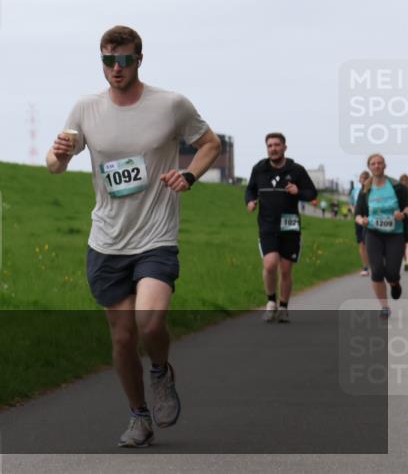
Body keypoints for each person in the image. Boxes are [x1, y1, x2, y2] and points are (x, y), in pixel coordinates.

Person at [46, 25, 221, 448]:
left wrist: (189, 174)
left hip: (156, 236)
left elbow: (210, 143)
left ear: (139, 60)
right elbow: (54, 165)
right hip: (107, 240)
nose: (117, 68)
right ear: (101, 61)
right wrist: (59, 153)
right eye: (109, 60)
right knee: (123, 338)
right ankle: (138, 416)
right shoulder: (86, 109)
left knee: (150, 319)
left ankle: (160, 370)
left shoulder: (171, 105)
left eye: (125, 60)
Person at [244, 133, 318, 323]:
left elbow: (312, 193)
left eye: (277, 145)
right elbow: (250, 189)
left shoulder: (297, 170)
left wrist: (298, 192)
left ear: (284, 147)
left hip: (290, 225)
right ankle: (271, 303)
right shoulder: (259, 169)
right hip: (267, 224)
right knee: (270, 264)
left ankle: (283, 307)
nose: (273, 148)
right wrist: (250, 201)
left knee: (285, 270)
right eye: (270, 145)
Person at [354, 154, 408, 320]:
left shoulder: (397, 186)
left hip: (395, 234)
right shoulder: (366, 189)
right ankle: (384, 307)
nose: (376, 166)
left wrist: (403, 215)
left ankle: (394, 282)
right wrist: (362, 220)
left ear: (385, 166)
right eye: (373, 163)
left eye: (379, 163)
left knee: (392, 272)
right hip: (373, 233)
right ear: (369, 167)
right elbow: (357, 214)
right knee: (376, 271)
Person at [352, 171, 371, 276]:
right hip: (358, 219)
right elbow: (351, 203)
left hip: (369, 219)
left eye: (365, 178)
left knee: (370, 243)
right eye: (361, 178)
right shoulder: (355, 191)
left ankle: (376, 262)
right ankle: (365, 267)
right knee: (362, 243)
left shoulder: (372, 190)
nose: (363, 180)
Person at [401, 174, 408, 271]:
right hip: (401, 219)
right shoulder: (398, 193)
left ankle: (407, 261)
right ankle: (405, 260)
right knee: (403, 242)